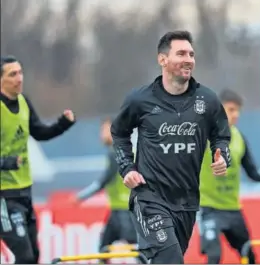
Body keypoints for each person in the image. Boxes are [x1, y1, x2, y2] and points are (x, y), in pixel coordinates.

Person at [111, 30, 231, 264]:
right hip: (150, 197)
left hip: (187, 201)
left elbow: (221, 136)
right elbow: (119, 132)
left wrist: (222, 155)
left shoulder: (207, 100)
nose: (188, 59)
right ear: (163, 60)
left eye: (191, 54)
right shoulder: (140, 100)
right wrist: (127, 168)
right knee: (171, 260)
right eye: (181, 53)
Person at [0, 55, 75, 264]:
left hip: (24, 191)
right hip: (3, 197)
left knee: (33, 256)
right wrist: (5, 163)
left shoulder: (24, 102)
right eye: (12, 74)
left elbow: (40, 132)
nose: (19, 78)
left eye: (20, 72)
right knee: (23, 255)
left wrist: (63, 123)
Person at [198, 89, 260, 264]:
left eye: (238, 110)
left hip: (232, 209)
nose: (235, 115)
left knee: (249, 255)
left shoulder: (239, 138)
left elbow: (252, 172)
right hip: (208, 208)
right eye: (230, 109)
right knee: (214, 256)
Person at [71, 117, 137, 263]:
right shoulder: (122, 150)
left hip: (124, 209)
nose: (102, 134)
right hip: (119, 209)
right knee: (105, 248)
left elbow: (104, 180)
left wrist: (81, 196)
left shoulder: (116, 153)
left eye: (105, 130)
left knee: (135, 248)